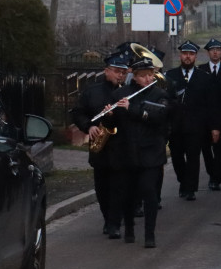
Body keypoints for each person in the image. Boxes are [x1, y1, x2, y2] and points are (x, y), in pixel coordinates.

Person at [106, 57, 169, 247]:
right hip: (127, 152)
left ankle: (150, 234)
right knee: (127, 193)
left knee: (149, 192)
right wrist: (109, 115)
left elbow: (158, 117)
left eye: (151, 75)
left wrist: (131, 109)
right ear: (135, 76)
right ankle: (130, 229)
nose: (149, 79)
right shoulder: (121, 93)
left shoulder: (159, 94)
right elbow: (112, 125)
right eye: (144, 76)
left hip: (151, 153)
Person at [70, 52, 129, 237]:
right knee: (102, 187)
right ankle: (107, 219)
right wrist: (89, 127)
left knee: (119, 187)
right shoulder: (92, 91)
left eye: (124, 72)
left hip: (122, 146)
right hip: (101, 148)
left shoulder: (130, 92)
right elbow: (78, 113)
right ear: (106, 71)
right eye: (117, 71)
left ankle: (115, 223)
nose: (120, 75)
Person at [165, 40, 219, 201]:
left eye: (191, 54)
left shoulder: (204, 77)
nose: (187, 57)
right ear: (180, 55)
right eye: (185, 54)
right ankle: (183, 181)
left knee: (193, 157)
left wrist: (214, 127)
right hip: (176, 126)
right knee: (176, 157)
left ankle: (190, 188)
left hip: (196, 126)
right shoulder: (170, 75)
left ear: (195, 56)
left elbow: (211, 105)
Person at [198, 38, 221, 190]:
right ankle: (212, 174)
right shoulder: (201, 70)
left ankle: (217, 176)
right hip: (205, 117)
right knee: (206, 150)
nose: (215, 52)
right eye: (212, 50)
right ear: (208, 53)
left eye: (218, 50)